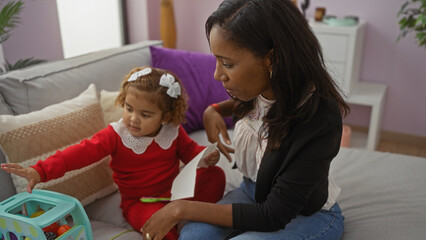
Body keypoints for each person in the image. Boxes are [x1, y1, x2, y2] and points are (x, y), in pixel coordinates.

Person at [141, 0, 349, 239]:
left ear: (272, 60)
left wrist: (181, 208)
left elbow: (273, 215)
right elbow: (257, 109)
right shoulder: (262, 88)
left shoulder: (319, 117)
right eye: (217, 61)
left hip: (305, 214)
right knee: (194, 235)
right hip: (253, 191)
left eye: (227, 64)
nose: (217, 74)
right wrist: (214, 110)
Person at [1, 66, 226, 240]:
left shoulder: (172, 131)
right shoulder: (116, 135)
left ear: (165, 117)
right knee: (158, 229)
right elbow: (77, 154)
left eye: (145, 115)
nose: (133, 118)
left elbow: (191, 153)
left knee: (215, 175)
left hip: (175, 194)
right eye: (129, 109)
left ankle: (186, 214)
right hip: (139, 202)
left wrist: (204, 157)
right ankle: (182, 223)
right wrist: (40, 171)